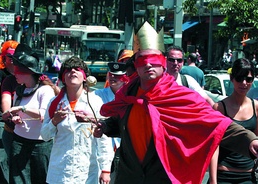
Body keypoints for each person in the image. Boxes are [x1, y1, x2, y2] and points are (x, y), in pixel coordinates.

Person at [93, 21, 258, 184]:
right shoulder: (127, 96)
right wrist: (106, 126)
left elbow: (218, 125)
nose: (148, 64)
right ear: (135, 64)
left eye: (154, 58)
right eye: (142, 59)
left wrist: (249, 139)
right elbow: (124, 124)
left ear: (163, 62)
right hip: (129, 179)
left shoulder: (181, 97)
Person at [40, 56, 114, 184]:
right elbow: (45, 135)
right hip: (59, 172)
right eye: (68, 70)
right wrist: (54, 121)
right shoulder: (54, 103)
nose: (72, 72)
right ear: (63, 77)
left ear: (85, 77)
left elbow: (104, 139)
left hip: (86, 172)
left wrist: (106, 170)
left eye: (77, 69)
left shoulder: (95, 102)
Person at [2, 43, 57, 184]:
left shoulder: (45, 91)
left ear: (27, 72)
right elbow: (17, 114)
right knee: (17, 179)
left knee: (40, 179)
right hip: (19, 141)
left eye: (17, 71)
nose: (15, 75)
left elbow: (43, 115)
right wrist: (16, 118)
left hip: (40, 145)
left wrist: (22, 109)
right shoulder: (20, 91)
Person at [208, 58, 258, 183]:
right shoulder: (219, 107)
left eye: (249, 79)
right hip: (224, 175)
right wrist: (213, 181)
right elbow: (214, 145)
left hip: (248, 176)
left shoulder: (256, 107)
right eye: (239, 78)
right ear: (232, 78)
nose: (244, 83)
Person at [0, 40, 19, 184]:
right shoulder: (1, 72)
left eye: (14, 56)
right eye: (8, 56)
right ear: (4, 57)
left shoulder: (24, 72)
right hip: (1, 115)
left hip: (20, 116)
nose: (11, 60)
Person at [94, 62, 129, 184]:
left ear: (125, 77)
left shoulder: (130, 95)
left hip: (124, 146)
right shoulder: (97, 95)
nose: (113, 78)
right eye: (111, 75)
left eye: (117, 76)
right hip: (104, 146)